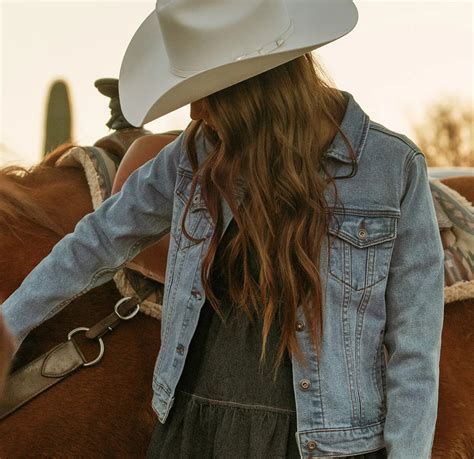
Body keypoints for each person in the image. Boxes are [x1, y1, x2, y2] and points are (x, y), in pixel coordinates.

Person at [1, 1, 445, 458]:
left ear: (260, 90)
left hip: (324, 446)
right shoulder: (192, 157)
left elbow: (414, 351)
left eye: (211, 91)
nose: (194, 111)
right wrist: (6, 326)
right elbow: (95, 242)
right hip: (192, 436)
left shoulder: (392, 169)